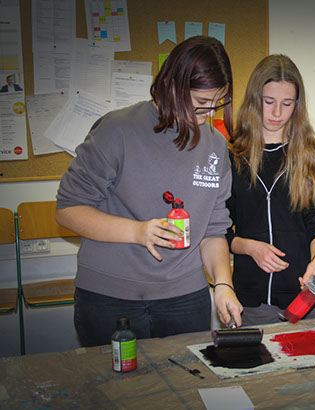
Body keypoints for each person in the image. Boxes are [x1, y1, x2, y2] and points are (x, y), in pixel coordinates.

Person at [55, 36, 242, 347]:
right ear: (170, 86)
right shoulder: (117, 130)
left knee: (186, 377)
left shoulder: (215, 145)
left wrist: (223, 284)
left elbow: (213, 231)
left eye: (217, 103)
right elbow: (68, 210)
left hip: (185, 296)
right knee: (112, 379)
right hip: (110, 297)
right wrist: (137, 231)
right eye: (200, 103)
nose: (209, 115)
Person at [226, 54, 315, 325]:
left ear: (297, 105)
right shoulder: (231, 157)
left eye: (287, 104)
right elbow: (217, 230)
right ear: (254, 100)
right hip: (252, 302)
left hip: (307, 300)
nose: (277, 113)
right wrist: (248, 247)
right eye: (269, 102)